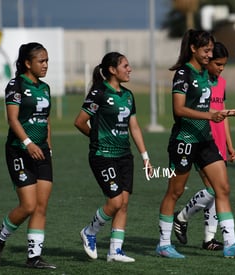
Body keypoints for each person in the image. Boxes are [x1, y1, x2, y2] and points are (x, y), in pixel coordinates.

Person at [155, 29, 235, 259]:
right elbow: (179, 110)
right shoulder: (183, 74)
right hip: (185, 140)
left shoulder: (205, 73)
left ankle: (230, 243)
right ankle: (163, 244)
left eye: (211, 50)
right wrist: (211, 116)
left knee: (222, 188)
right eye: (206, 50)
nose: (210, 55)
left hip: (205, 140)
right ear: (193, 48)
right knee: (175, 191)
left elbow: (203, 108)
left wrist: (220, 113)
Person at [74, 52, 152, 263]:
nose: (130, 69)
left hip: (125, 156)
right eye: (125, 65)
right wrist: (96, 137)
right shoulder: (99, 92)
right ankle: (90, 231)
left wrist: (145, 156)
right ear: (112, 70)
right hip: (103, 155)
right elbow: (80, 121)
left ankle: (115, 251)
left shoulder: (128, 95)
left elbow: (134, 127)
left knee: (124, 203)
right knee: (115, 201)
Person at [0, 42, 56, 269]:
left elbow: (45, 121)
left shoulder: (45, 88)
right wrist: (28, 144)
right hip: (19, 150)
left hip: (42, 151)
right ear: (28, 63)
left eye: (47, 60)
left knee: (41, 206)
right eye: (41, 61)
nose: (46, 65)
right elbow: (13, 120)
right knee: (28, 205)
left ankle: (34, 257)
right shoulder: (15, 85)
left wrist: (49, 147)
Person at [173, 42, 235, 251]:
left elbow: (222, 112)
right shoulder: (197, 80)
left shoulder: (221, 82)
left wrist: (229, 144)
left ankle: (209, 238)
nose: (220, 68)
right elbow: (186, 109)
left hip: (216, 141)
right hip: (199, 138)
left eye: (223, 65)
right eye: (217, 63)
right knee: (213, 189)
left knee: (219, 190)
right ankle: (182, 218)